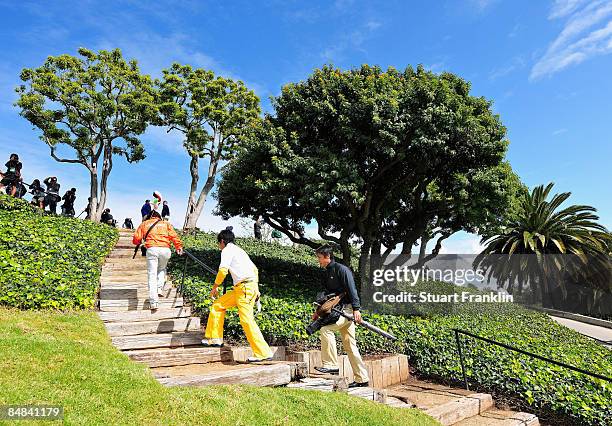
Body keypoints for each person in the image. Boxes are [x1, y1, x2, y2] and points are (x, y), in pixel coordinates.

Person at [202, 227, 273, 362]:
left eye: (219, 244)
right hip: (244, 288)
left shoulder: (227, 250)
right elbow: (255, 270)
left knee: (247, 320)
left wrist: (215, 287)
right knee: (218, 305)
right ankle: (215, 338)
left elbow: (223, 271)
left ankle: (263, 352)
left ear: (222, 241)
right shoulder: (240, 251)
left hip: (244, 289)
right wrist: (256, 289)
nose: (219, 247)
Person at [312, 245, 369, 388]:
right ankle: (362, 378)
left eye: (319, 257)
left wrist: (356, 309)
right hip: (338, 309)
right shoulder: (326, 272)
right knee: (350, 345)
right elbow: (328, 296)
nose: (318, 260)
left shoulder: (342, 270)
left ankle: (331, 364)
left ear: (327, 257)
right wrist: (318, 311)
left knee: (326, 330)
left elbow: (352, 288)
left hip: (348, 310)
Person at [132, 210, 183, 311]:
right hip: (165, 249)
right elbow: (174, 236)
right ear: (159, 217)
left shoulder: (144, 224)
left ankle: (154, 302)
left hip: (152, 249)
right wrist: (178, 247)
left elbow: (136, 239)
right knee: (162, 269)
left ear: (150, 217)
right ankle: (159, 288)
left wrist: (141, 241)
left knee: (152, 274)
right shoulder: (166, 224)